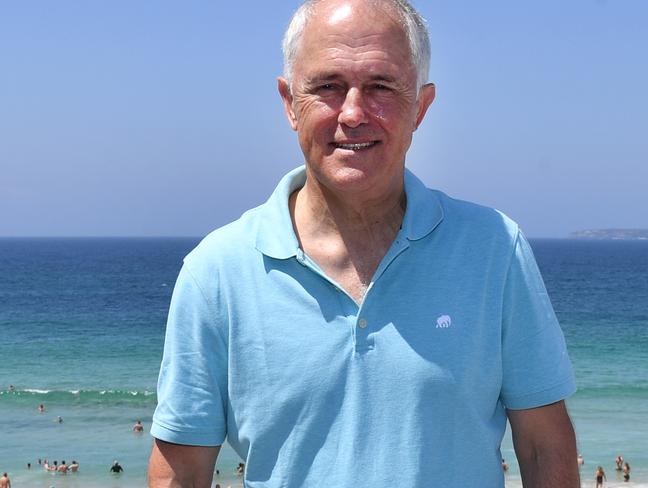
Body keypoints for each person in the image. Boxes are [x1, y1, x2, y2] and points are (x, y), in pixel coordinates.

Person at [148, 1, 579, 487]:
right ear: (290, 103)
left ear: (420, 105)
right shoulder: (217, 272)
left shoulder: (495, 250)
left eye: (381, 86)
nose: (353, 113)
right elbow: (179, 473)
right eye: (327, 86)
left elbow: (545, 448)